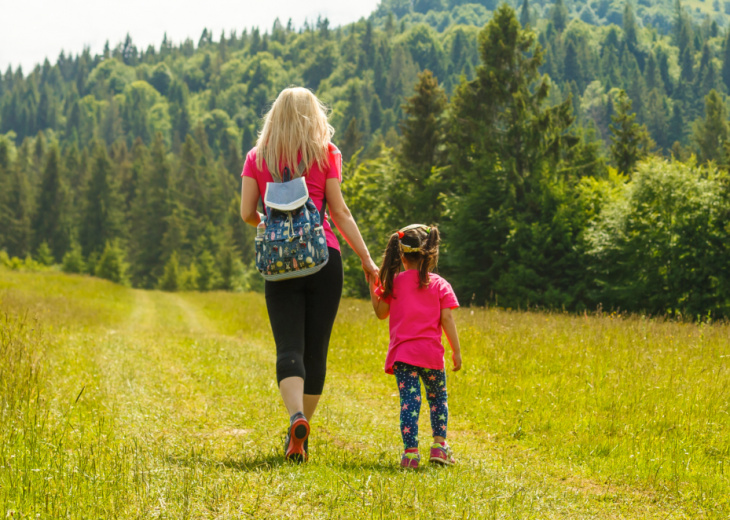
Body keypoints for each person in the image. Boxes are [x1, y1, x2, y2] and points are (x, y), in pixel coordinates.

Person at [240, 87, 378, 462]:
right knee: (316, 350)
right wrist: (367, 260)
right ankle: (298, 436)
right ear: (312, 115)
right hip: (324, 258)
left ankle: (295, 416)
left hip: (279, 267)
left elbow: (246, 212)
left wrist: (272, 227)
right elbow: (340, 212)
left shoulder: (257, 157)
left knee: (289, 347)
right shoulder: (325, 153)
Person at [369, 224, 462, 469]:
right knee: (438, 399)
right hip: (431, 355)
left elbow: (381, 313)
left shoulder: (395, 282)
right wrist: (456, 350)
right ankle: (439, 447)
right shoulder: (440, 284)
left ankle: (410, 454)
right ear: (430, 254)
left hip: (403, 356)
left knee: (410, 402)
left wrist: (372, 283)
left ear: (401, 256)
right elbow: (447, 319)